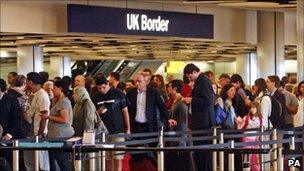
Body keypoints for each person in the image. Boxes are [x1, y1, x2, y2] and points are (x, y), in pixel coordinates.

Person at [91, 76, 130, 171]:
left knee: (118, 157)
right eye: (99, 88)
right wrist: (98, 112)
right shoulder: (96, 96)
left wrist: (128, 128)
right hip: (104, 132)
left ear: (108, 84)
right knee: (107, 158)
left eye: (103, 87)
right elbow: (92, 113)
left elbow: (125, 111)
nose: (102, 90)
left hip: (118, 130)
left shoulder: (118, 93)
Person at [183, 63, 215, 171]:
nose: (189, 79)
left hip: (203, 123)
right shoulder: (200, 81)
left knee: (203, 153)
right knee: (200, 153)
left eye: (189, 76)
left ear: (195, 72)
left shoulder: (204, 82)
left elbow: (208, 101)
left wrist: (192, 100)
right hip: (201, 122)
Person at [40, 80, 74, 171]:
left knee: (63, 161)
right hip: (55, 135)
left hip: (61, 136)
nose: (52, 90)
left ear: (60, 88)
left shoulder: (64, 102)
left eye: (54, 88)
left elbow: (64, 119)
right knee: (59, 161)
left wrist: (48, 117)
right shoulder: (57, 101)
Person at [24, 72, 51, 171]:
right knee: (30, 161)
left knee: (41, 162)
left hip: (38, 133)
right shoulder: (35, 95)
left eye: (27, 81)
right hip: (31, 133)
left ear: (30, 82)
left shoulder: (42, 95)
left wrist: (40, 133)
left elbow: (44, 115)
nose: (26, 84)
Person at [0, 78, 22, 170]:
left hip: (8, 138)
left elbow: (17, 120)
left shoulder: (11, 100)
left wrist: (9, 134)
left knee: (13, 162)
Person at [236, 102, 263, 171]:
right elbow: (240, 127)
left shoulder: (260, 119)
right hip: (247, 140)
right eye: (251, 108)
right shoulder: (246, 117)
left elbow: (261, 129)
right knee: (246, 159)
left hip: (256, 140)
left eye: (254, 107)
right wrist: (238, 122)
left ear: (257, 108)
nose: (252, 109)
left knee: (255, 159)